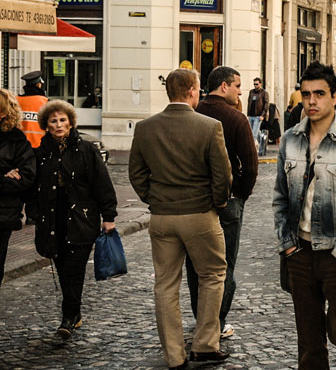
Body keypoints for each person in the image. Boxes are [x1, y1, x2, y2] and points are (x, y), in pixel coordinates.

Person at [272, 62, 336, 370]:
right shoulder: (290, 139)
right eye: (306, 95)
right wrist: (288, 245)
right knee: (309, 342)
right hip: (299, 253)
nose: (312, 101)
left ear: (335, 96)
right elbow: (279, 198)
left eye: (319, 94)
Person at [129, 68, 232, 369]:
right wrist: (218, 202)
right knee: (212, 276)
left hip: (162, 216)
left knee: (165, 284)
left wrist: (154, 198)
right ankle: (205, 344)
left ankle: (174, 355)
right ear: (191, 91)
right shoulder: (210, 126)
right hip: (199, 214)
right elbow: (222, 175)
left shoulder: (146, 127)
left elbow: (136, 174)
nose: (199, 94)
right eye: (198, 90)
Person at [32, 100, 117, 338]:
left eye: (62, 120)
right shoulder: (41, 153)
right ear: (46, 125)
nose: (59, 125)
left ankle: (68, 317)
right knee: (61, 268)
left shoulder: (86, 150)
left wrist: (108, 216)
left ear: (70, 122)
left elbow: (103, 185)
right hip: (52, 219)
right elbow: (33, 185)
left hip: (81, 218)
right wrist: (34, 213)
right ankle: (74, 314)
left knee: (75, 269)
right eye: (53, 121)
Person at [186, 66, 258, 339]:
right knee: (224, 264)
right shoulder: (236, 118)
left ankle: (201, 318)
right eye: (238, 85)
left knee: (196, 265)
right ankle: (215, 322)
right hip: (227, 201)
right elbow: (250, 166)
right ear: (224, 86)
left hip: (194, 200)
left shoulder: (193, 112)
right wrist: (240, 194)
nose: (241, 91)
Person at [0, 89, 36, 288]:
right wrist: (4, 176)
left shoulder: (16, 140)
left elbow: (26, 176)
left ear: (4, 112)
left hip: (4, 214)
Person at [17, 70, 48, 149]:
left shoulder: (15, 101)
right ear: (38, 85)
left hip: (19, 146)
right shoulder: (45, 102)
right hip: (39, 145)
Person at [247, 78, 270, 154]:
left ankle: (251, 150)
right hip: (251, 115)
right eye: (254, 84)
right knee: (257, 132)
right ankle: (264, 143)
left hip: (258, 115)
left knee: (253, 133)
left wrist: (263, 115)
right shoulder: (251, 92)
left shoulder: (264, 93)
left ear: (260, 84)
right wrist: (248, 114)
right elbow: (249, 103)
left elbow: (266, 105)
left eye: (256, 84)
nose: (255, 86)